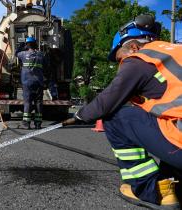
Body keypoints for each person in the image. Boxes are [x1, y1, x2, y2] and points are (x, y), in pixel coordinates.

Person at [71, 14, 182, 209]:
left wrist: (79, 116)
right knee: (164, 121)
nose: (120, 65)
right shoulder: (175, 53)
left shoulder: (140, 58)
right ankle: (173, 182)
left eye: (119, 58)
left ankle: (149, 190)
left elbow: (107, 102)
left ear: (132, 47)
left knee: (115, 118)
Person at [16, 36, 46, 129]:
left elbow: (16, 53)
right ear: (36, 45)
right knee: (38, 103)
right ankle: (38, 124)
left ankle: (26, 124)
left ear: (27, 45)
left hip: (27, 82)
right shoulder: (41, 54)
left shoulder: (23, 54)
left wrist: (21, 44)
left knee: (28, 102)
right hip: (39, 82)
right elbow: (46, 66)